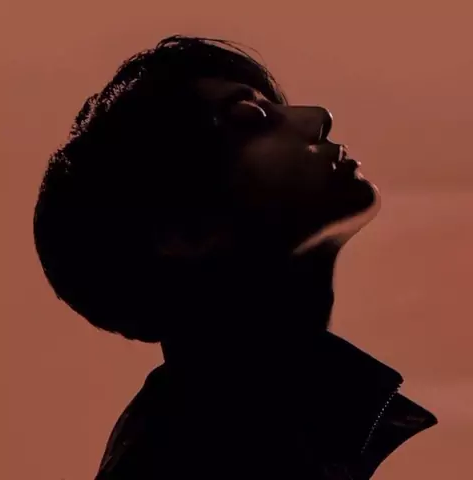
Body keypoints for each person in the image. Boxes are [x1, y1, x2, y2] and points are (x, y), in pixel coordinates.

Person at [33, 35, 437, 479]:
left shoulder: (268, 433)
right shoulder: (194, 458)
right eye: (251, 117)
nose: (319, 117)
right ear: (182, 228)